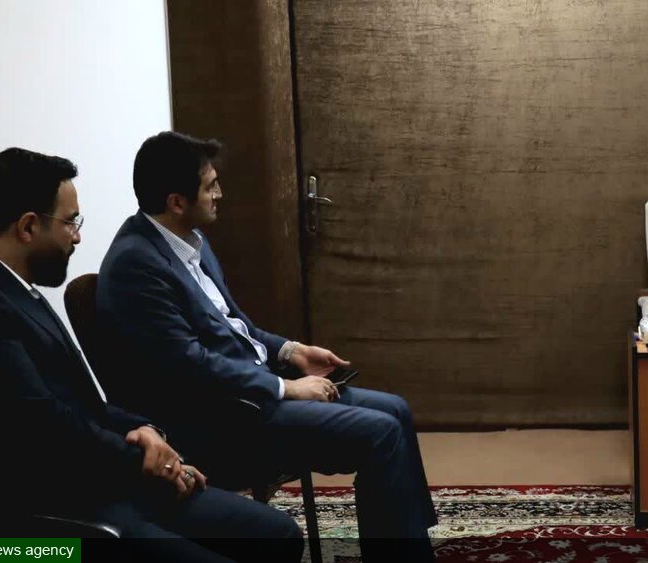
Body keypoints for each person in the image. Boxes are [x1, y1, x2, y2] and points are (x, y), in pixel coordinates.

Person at [0, 148, 301, 560]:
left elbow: (81, 404)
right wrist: (146, 461)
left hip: (90, 481)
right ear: (28, 226)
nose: (77, 237)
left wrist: (144, 430)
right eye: (70, 222)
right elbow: (42, 425)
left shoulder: (9, 287)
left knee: (277, 533)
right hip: (31, 515)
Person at [96, 132, 437, 560]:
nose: (220, 194)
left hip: (253, 390)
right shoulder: (137, 264)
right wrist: (285, 388)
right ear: (177, 201)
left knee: (395, 410)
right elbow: (189, 363)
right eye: (210, 186)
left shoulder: (188, 242)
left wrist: (290, 351)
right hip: (222, 417)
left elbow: (236, 326)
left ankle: (410, 547)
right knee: (381, 432)